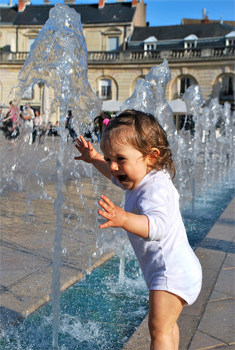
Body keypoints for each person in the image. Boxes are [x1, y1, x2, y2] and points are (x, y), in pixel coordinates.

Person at [74, 110, 202, 350]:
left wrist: (124, 218)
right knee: (167, 326)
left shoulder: (155, 190)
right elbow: (113, 173)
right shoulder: (142, 175)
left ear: (151, 157)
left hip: (170, 272)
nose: (113, 166)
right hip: (174, 268)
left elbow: (159, 227)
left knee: (159, 330)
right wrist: (94, 158)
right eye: (109, 158)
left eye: (119, 159)